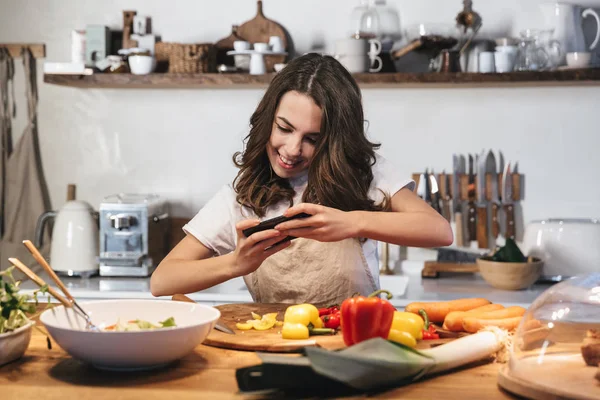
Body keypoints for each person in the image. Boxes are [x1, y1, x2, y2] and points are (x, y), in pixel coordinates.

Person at [150, 53, 452, 307]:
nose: (292, 150)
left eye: (312, 138)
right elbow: (162, 281)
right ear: (267, 120)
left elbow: (439, 231)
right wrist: (235, 264)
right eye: (284, 128)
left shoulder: (364, 175)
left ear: (334, 141)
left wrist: (352, 222)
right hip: (272, 348)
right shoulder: (242, 196)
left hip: (356, 347)